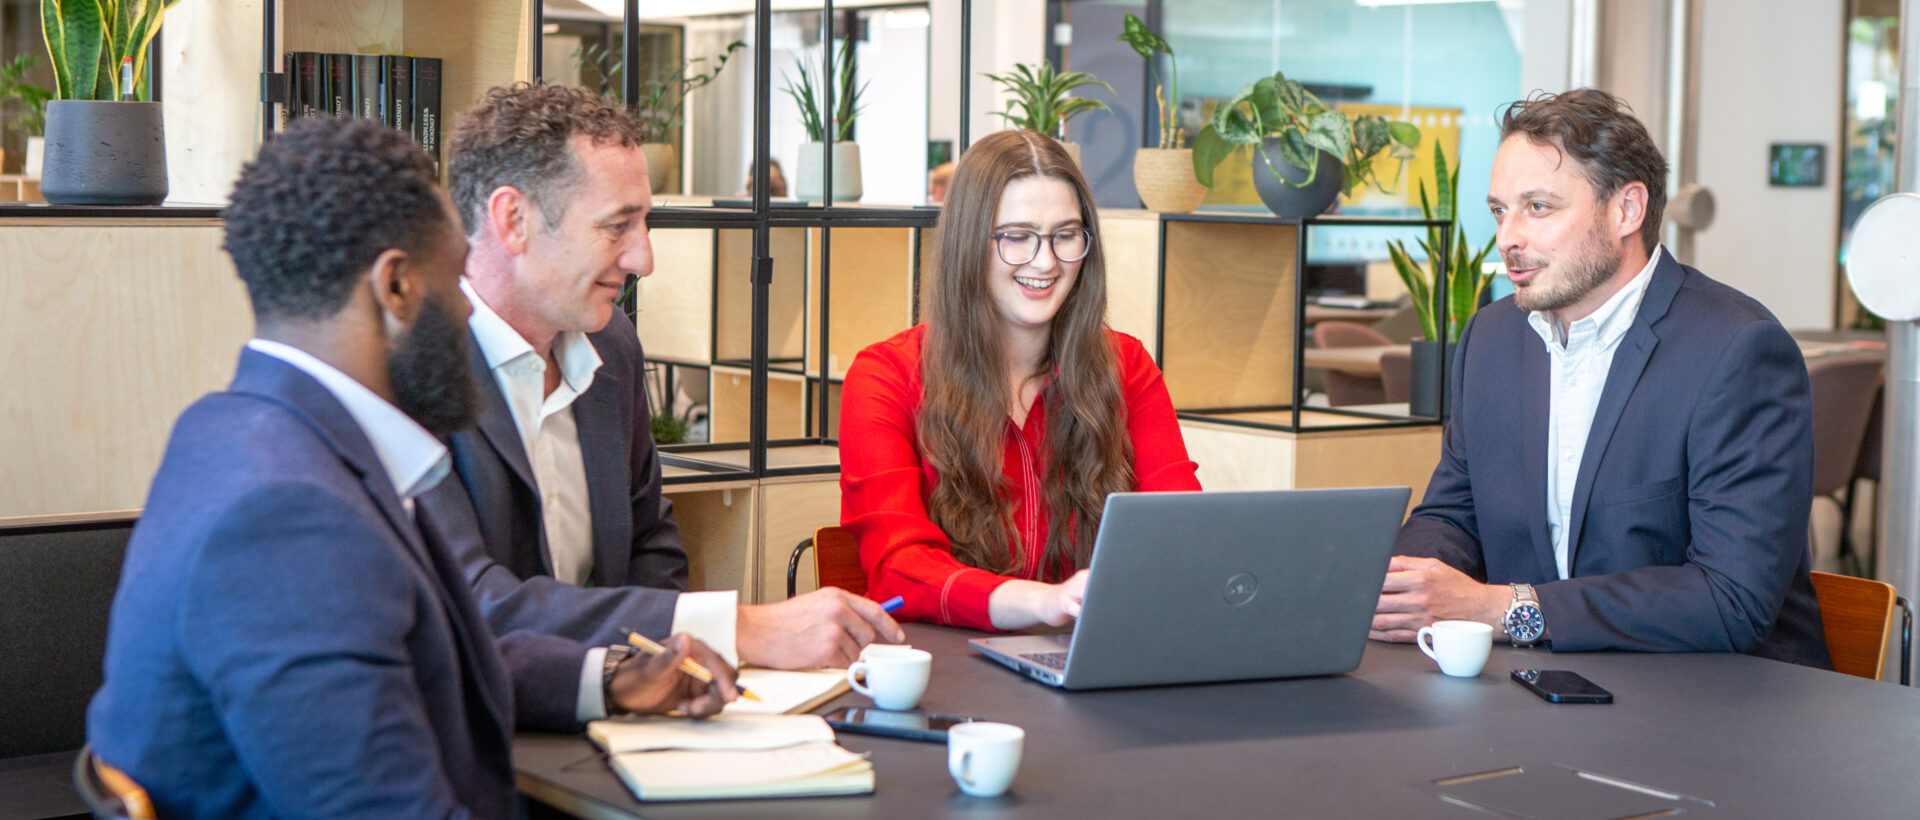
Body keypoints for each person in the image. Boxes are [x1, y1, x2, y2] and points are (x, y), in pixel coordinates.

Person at [85, 118, 736, 818]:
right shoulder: (288, 517)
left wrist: (606, 678)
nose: (469, 307)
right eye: (455, 276)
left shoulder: (242, 431)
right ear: (395, 288)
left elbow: (425, 651)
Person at [433, 82, 902, 670]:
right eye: (616, 225)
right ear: (513, 220)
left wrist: (657, 679)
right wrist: (733, 627)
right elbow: (469, 607)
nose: (643, 259)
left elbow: (650, 548)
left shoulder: (613, 346)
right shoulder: (407, 371)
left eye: (645, 223)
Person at [1370, 89, 1829, 668]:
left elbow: (1730, 600)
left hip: (1722, 708)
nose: (1508, 237)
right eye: (1498, 210)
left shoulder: (1737, 351)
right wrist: (1402, 588)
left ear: (1626, 211)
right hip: (1549, 688)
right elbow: (1452, 516)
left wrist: (1503, 608)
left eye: (1538, 207)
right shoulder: (1492, 339)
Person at [839, 129, 1201, 632]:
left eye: (1065, 235)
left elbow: (1184, 531)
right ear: (969, 243)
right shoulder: (886, 377)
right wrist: (1039, 602)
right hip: (947, 672)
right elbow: (899, 569)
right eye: (1016, 236)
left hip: (1085, 662)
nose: (1046, 261)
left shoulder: (1128, 367)